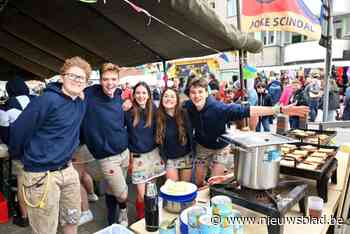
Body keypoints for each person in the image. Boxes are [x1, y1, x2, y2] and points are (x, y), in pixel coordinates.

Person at [9, 56, 91, 234]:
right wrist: (25, 159)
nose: (76, 80)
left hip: (68, 171)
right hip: (42, 175)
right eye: (72, 75)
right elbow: (18, 131)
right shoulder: (46, 101)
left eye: (81, 78)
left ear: (86, 83)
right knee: (46, 229)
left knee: (72, 219)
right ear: (62, 77)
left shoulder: (80, 102)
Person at [184, 77, 309, 186]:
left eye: (200, 92)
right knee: (198, 181)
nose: (197, 96)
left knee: (215, 181)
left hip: (220, 147)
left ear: (207, 93)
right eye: (193, 92)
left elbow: (249, 110)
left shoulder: (219, 108)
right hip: (202, 146)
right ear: (189, 94)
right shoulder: (188, 106)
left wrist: (280, 109)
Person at [80, 63, 129, 226]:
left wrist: (128, 101)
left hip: (124, 152)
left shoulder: (119, 95)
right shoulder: (89, 94)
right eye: (105, 79)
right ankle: (123, 211)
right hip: (106, 157)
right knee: (122, 193)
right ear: (100, 80)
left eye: (113, 79)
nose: (110, 83)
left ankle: (111, 220)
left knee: (110, 189)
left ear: (118, 79)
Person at [126, 82, 165, 219]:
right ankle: (142, 218)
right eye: (138, 93)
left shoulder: (153, 109)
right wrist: (130, 159)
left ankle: (151, 216)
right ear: (133, 95)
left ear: (148, 95)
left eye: (144, 93)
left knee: (151, 189)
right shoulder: (129, 111)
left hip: (154, 154)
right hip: (138, 157)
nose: (141, 96)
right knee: (142, 194)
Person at [0, 76, 33, 227]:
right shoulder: (37, 100)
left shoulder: (5, 107)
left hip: (21, 152)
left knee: (22, 183)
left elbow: (5, 135)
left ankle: (25, 217)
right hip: (43, 150)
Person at [156, 88, 194, 182]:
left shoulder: (185, 113)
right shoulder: (156, 116)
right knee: (173, 190)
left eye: (172, 96)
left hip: (186, 156)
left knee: (185, 188)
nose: (169, 99)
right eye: (166, 96)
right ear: (161, 100)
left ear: (177, 100)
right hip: (170, 159)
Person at [72, 145, 98, 226]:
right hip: (84, 148)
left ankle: (85, 211)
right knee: (83, 174)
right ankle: (91, 195)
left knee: (76, 181)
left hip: (76, 149)